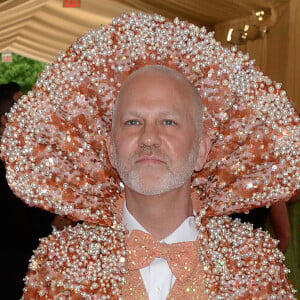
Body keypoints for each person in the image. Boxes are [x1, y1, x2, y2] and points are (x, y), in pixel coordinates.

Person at [1, 12, 298, 299]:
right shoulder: (60, 263)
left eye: (168, 122)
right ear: (111, 151)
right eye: (133, 122)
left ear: (201, 151)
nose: (149, 138)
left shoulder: (253, 262)